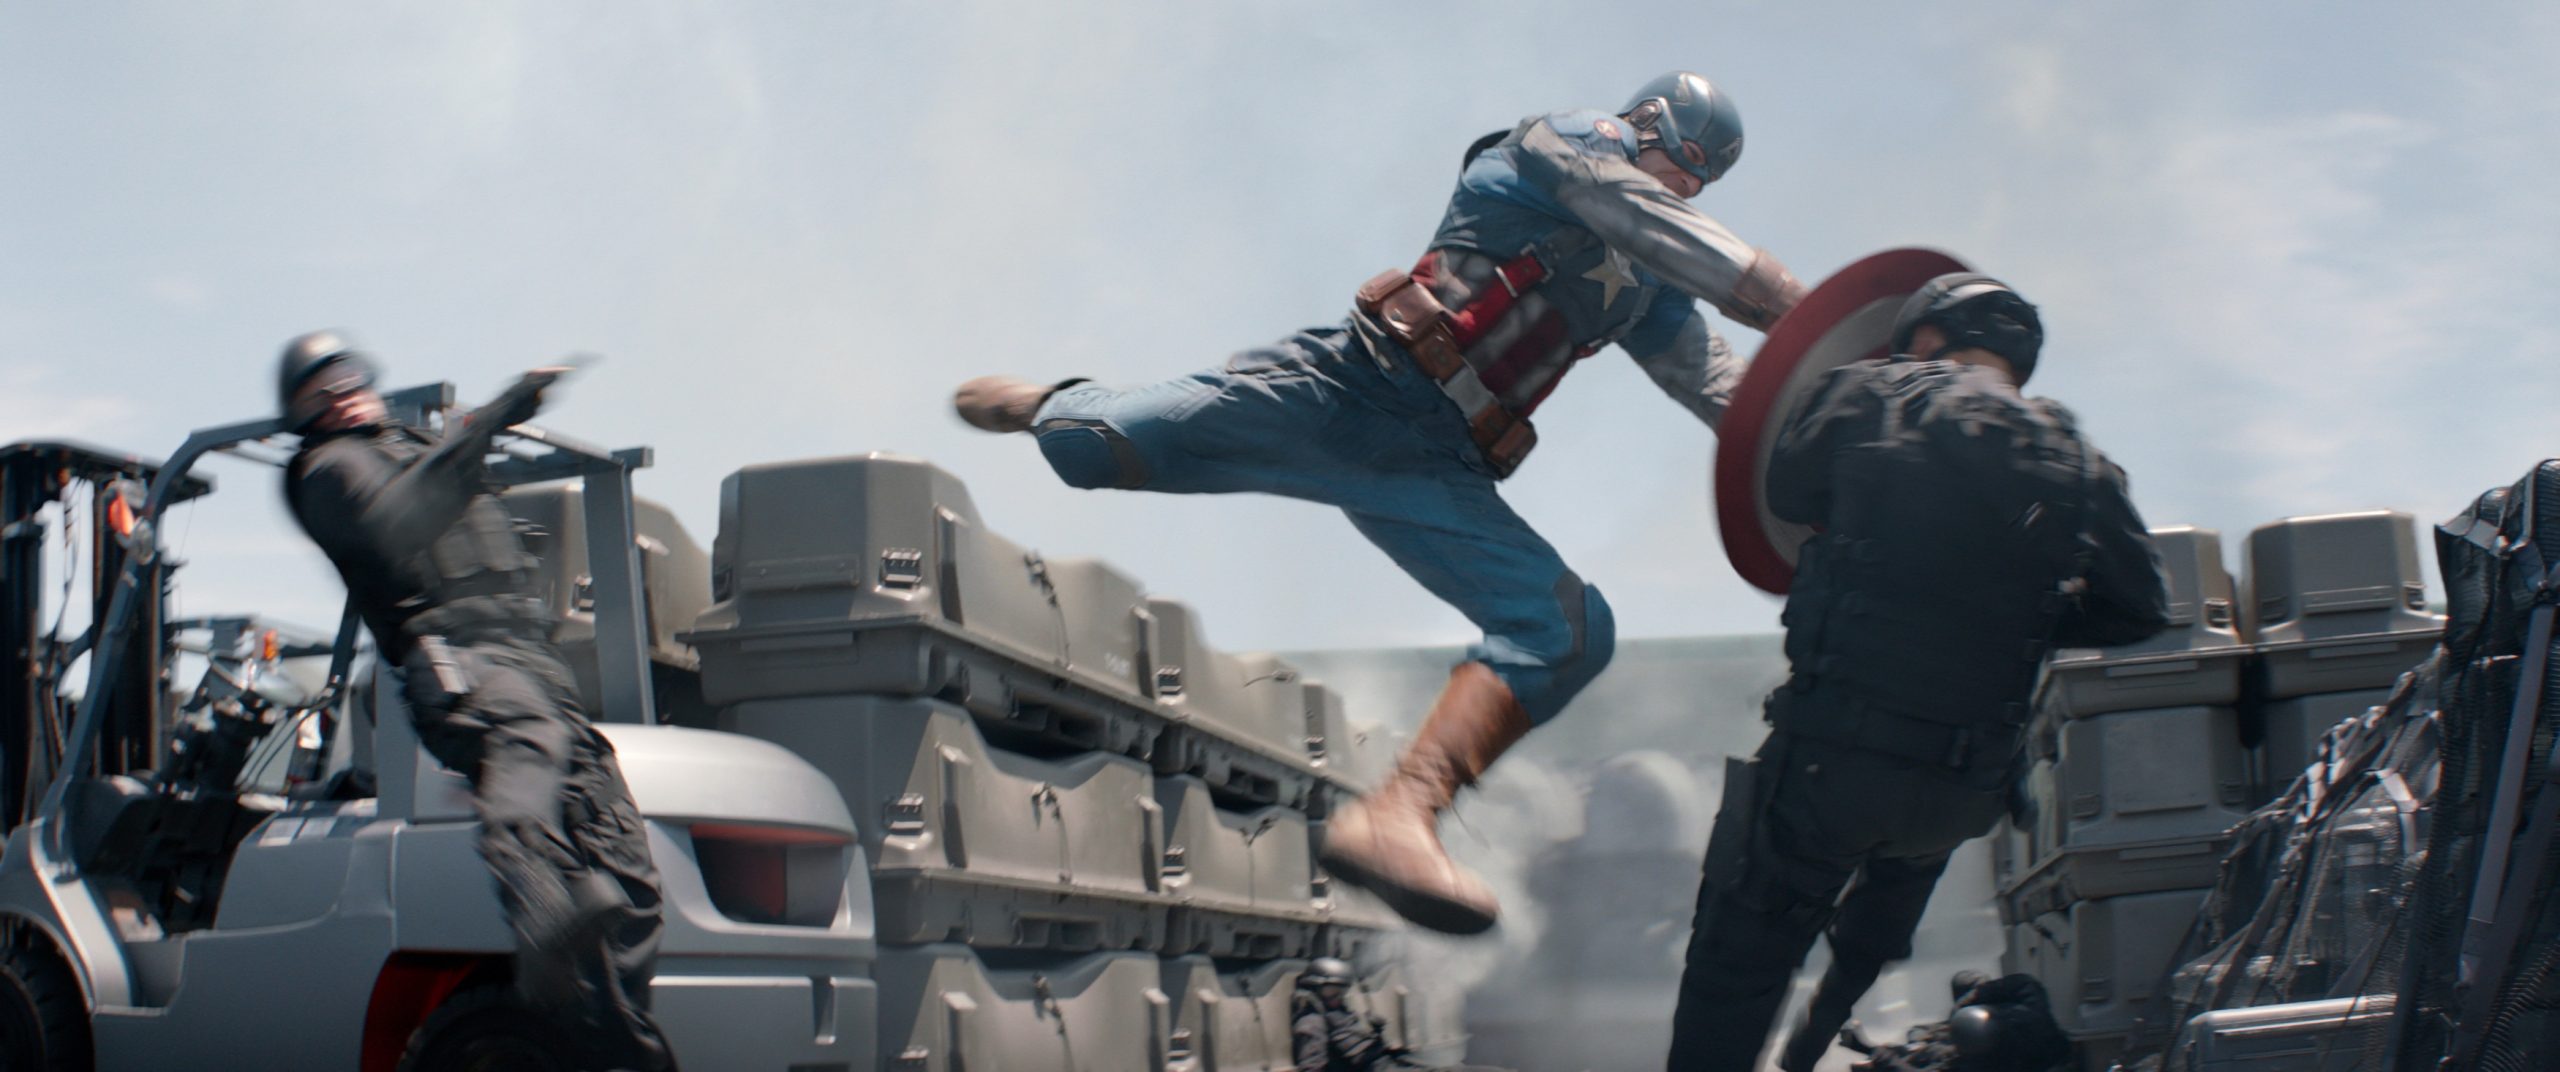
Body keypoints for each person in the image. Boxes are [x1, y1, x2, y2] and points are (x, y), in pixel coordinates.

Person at [952, 71, 1806, 935]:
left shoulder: (1651, 285)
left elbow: (1723, 390)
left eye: (1702, 179)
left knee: (1568, 630)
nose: (1687, 187)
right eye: (1684, 162)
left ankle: (1401, 815)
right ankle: (1050, 403)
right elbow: (1637, 213)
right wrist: (1798, 310)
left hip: (1435, 469)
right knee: (1096, 447)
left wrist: (1822, 423)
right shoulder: (1562, 147)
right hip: (1344, 390)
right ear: (1646, 124)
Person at [1663, 275, 2171, 1071]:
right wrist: (2028, 620)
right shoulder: (2082, 463)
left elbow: (1787, 490)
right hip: (1962, 789)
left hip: (1832, 769)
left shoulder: (1867, 392)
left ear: (1928, 338)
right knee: (1871, 933)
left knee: (1739, 959)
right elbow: (2141, 608)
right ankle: (1809, 1050)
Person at [277, 332, 671, 1071]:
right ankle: (536, 901)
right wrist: (493, 417)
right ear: (301, 416)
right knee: (529, 744)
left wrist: (482, 430)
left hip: (530, 659)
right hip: (461, 660)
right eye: (317, 395)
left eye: (348, 378)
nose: (341, 397)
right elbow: (402, 519)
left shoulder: (416, 445)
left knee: (631, 875)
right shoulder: (328, 468)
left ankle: (621, 1049)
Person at [1294, 958, 1394, 1072]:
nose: (1338, 997)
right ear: (1313, 989)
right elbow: (1311, 1067)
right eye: (1332, 991)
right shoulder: (1312, 1023)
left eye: (1342, 992)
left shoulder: (1341, 1014)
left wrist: (1377, 1032)